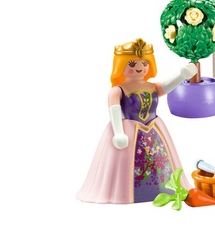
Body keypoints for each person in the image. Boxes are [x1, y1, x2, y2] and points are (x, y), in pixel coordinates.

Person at [76, 38, 196, 204]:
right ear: (121, 66)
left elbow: (166, 86)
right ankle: (127, 193)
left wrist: (181, 75)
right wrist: (118, 132)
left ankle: (163, 189)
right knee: (125, 168)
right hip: (129, 132)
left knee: (161, 162)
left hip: (154, 130)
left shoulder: (151, 86)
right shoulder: (117, 91)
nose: (139, 67)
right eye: (132, 64)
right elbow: (114, 111)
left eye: (144, 63)